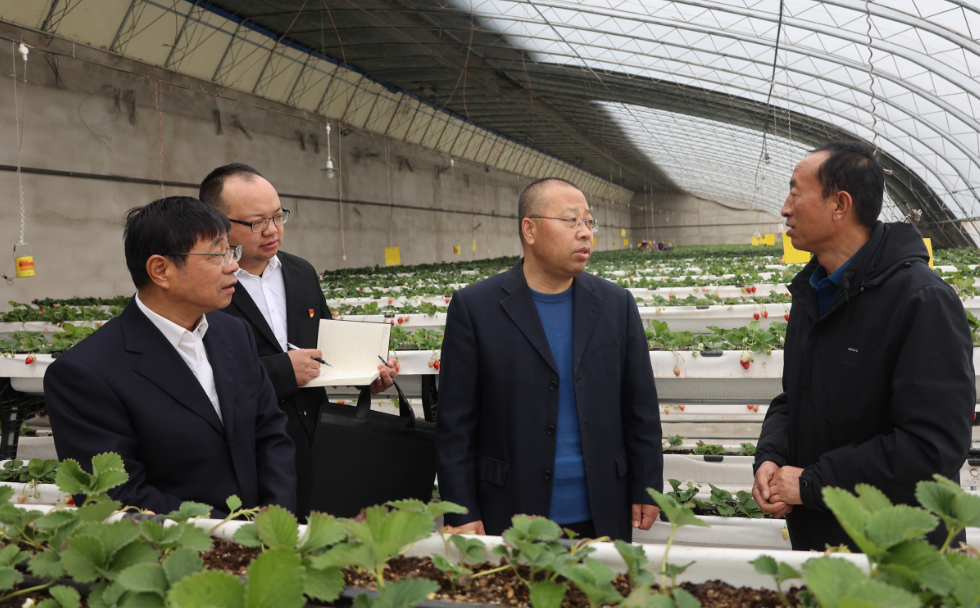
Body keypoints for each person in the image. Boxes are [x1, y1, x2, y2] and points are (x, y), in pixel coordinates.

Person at [752, 141, 975, 551]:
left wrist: (812, 483)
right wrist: (770, 456)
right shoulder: (812, 294)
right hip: (822, 537)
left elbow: (932, 447)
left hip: (898, 549)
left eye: (795, 194)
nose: (785, 209)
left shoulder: (921, 300)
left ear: (840, 205)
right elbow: (795, 398)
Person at [436, 178, 663, 541]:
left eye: (588, 222)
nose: (585, 232)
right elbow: (455, 426)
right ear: (530, 229)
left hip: (602, 510)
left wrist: (647, 485)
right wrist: (461, 510)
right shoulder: (475, 308)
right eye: (571, 221)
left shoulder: (616, 304)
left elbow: (640, 408)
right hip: (509, 515)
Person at [44, 197, 296, 515]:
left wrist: (274, 518)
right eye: (217, 255)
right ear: (161, 270)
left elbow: (270, 432)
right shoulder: (86, 373)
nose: (233, 265)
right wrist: (231, 530)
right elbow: (115, 497)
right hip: (178, 541)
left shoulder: (234, 333)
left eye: (231, 251)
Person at [199, 163, 396, 519]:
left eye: (278, 216)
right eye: (256, 222)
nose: (272, 230)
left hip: (315, 444)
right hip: (246, 453)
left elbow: (327, 347)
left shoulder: (300, 272)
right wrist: (281, 371)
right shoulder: (205, 287)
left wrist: (368, 372)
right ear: (218, 223)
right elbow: (199, 373)